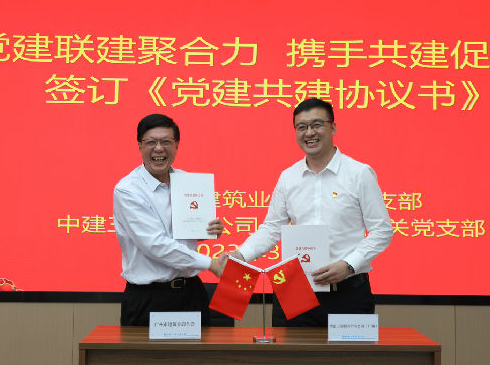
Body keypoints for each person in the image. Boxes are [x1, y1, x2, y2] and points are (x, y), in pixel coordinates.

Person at [232, 98, 392, 326]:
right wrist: (241, 255)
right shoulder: (288, 177)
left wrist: (348, 265)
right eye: (302, 127)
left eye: (317, 125)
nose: (309, 133)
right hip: (295, 289)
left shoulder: (359, 173)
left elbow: (382, 231)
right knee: (292, 350)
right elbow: (272, 228)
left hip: (347, 292)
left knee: (350, 352)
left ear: (332, 127)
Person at [113, 113, 225, 326]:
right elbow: (155, 245)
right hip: (149, 297)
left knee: (200, 350)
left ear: (176, 146)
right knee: (145, 351)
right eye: (151, 142)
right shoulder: (128, 189)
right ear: (140, 146)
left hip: (191, 294)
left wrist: (209, 229)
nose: (158, 149)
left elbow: (182, 233)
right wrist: (210, 264)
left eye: (165, 142)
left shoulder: (187, 182)